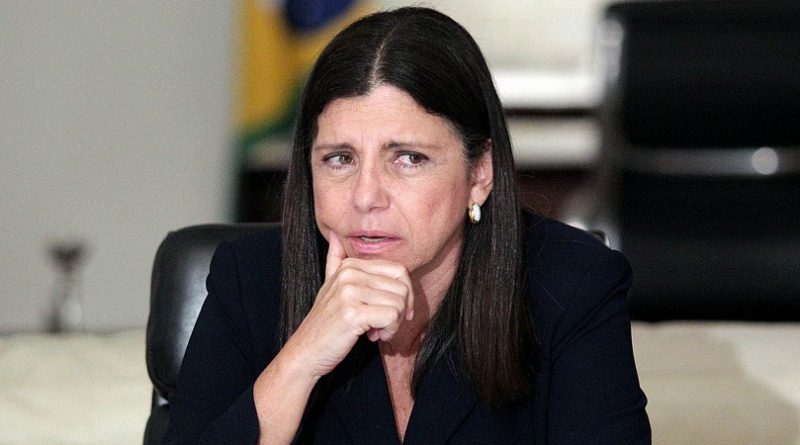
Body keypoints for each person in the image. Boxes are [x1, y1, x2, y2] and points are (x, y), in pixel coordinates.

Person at [162, 7, 651, 444]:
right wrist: (303, 356)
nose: (366, 196)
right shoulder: (252, 282)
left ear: (479, 174)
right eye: (339, 158)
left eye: (409, 158)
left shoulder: (572, 287)